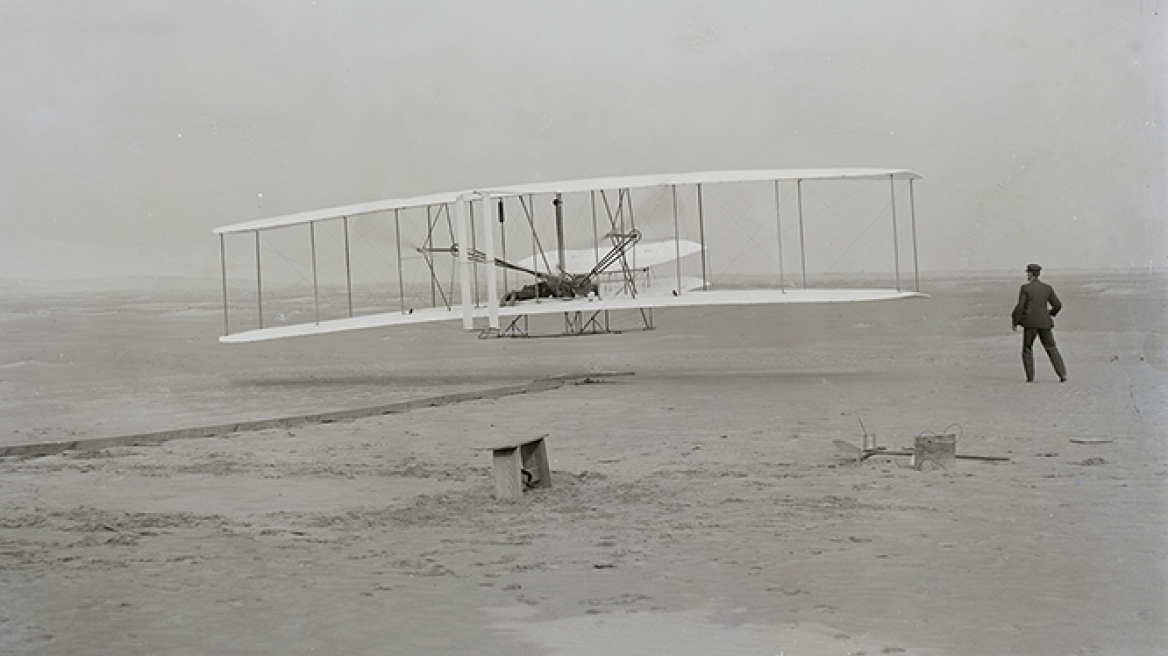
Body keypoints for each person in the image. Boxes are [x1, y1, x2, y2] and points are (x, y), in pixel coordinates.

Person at [1011, 263, 1067, 382]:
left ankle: (1030, 378)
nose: (1027, 275)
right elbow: (1058, 305)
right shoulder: (1047, 288)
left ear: (1031, 274)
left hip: (1030, 323)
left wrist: (1015, 320)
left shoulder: (1025, 288)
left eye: (1028, 273)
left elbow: (1020, 307)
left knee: (1027, 349)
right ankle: (1062, 374)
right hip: (1045, 323)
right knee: (1051, 348)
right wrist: (1050, 314)